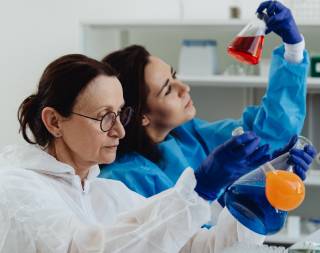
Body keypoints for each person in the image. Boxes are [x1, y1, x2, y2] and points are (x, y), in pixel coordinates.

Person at [0, 53, 276, 252]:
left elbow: (193, 247)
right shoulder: (15, 187)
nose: (119, 130)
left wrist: (250, 215)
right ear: (54, 121)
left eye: (121, 114)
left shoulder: (108, 193)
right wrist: (197, 192)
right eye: (104, 117)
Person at [99, 1, 315, 200]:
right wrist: (203, 191)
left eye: (174, 76)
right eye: (168, 90)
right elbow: (184, 238)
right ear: (141, 116)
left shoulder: (188, 136)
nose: (184, 88)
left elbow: (265, 135)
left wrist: (293, 48)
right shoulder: (123, 180)